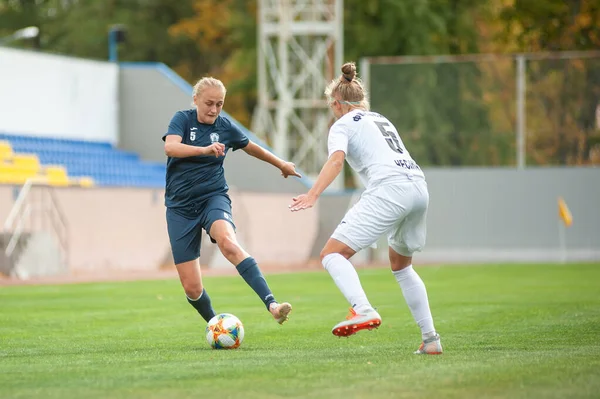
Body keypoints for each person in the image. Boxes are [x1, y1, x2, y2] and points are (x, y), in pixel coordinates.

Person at [289, 62, 442, 355]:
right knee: (402, 266)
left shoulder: (341, 124)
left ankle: (363, 309)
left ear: (336, 104)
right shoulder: (380, 118)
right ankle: (431, 339)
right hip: (418, 186)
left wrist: (312, 194)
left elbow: (336, 160)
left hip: (389, 187)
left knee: (332, 254)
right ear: (362, 101)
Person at [163, 76, 300, 326]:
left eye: (219, 104)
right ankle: (216, 325)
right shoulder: (182, 119)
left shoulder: (225, 127)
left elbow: (251, 147)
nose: (214, 110)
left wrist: (281, 163)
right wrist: (205, 149)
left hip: (212, 198)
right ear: (195, 100)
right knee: (192, 289)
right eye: (208, 103)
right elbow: (171, 148)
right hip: (179, 208)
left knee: (228, 243)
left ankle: (273, 305)